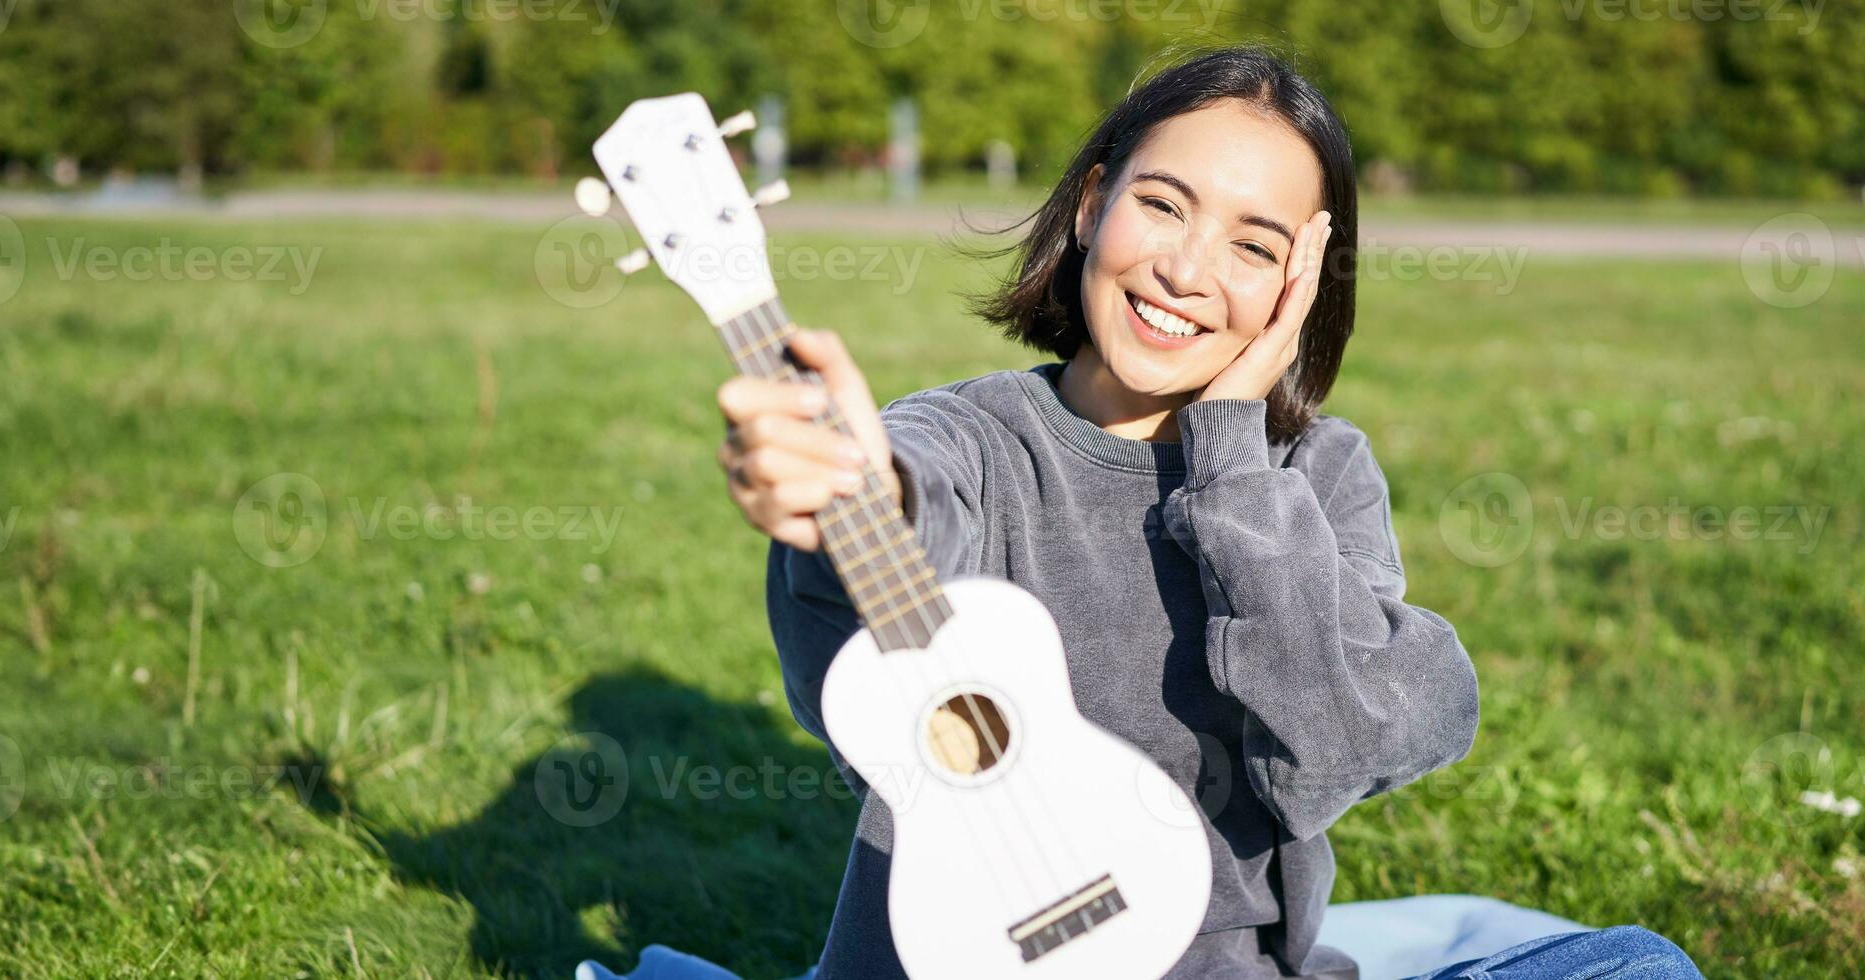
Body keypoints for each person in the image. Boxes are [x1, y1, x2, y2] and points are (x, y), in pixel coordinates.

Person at [588, 47, 1701, 980]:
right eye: (1162, 204)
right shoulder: (966, 440)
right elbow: (898, 541)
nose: (1184, 268)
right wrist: (851, 494)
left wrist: (1231, 449)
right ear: (1091, 203)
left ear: (1299, 286)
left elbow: (1347, 742)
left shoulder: (1315, 472)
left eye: (1253, 246)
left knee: (1638, 964)